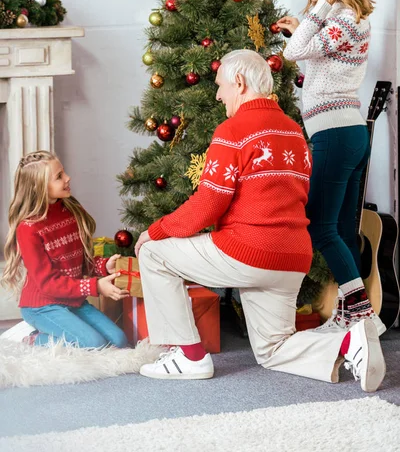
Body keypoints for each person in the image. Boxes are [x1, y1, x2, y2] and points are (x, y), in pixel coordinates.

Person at [133, 49, 385, 392]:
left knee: (153, 252)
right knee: (273, 350)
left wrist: (156, 230)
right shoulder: (294, 131)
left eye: (221, 85)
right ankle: (348, 344)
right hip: (293, 258)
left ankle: (189, 356)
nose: (219, 94)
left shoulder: (233, 130)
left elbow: (208, 204)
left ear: (239, 82)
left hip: (248, 253)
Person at [277, 0, 386, 336]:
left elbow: (295, 54)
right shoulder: (345, 17)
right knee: (341, 229)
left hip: (337, 134)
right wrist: (303, 25)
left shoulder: (344, 15)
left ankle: (361, 314)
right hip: (347, 132)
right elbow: (315, 62)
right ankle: (351, 315)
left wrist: (316, 11)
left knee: (320, 227)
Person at [1, 150, 129, 348]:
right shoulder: (28, 229)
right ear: (39, 187)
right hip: (42, 306)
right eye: (59, 176)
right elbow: (48, 283)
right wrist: (96, 286)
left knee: (119, 341)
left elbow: (77, 262)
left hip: (73, 301)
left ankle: (62, 330)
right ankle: (31, 338)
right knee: (93, 344)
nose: (68, 178)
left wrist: (104, 266)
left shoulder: (69, 212)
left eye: (64, 172)